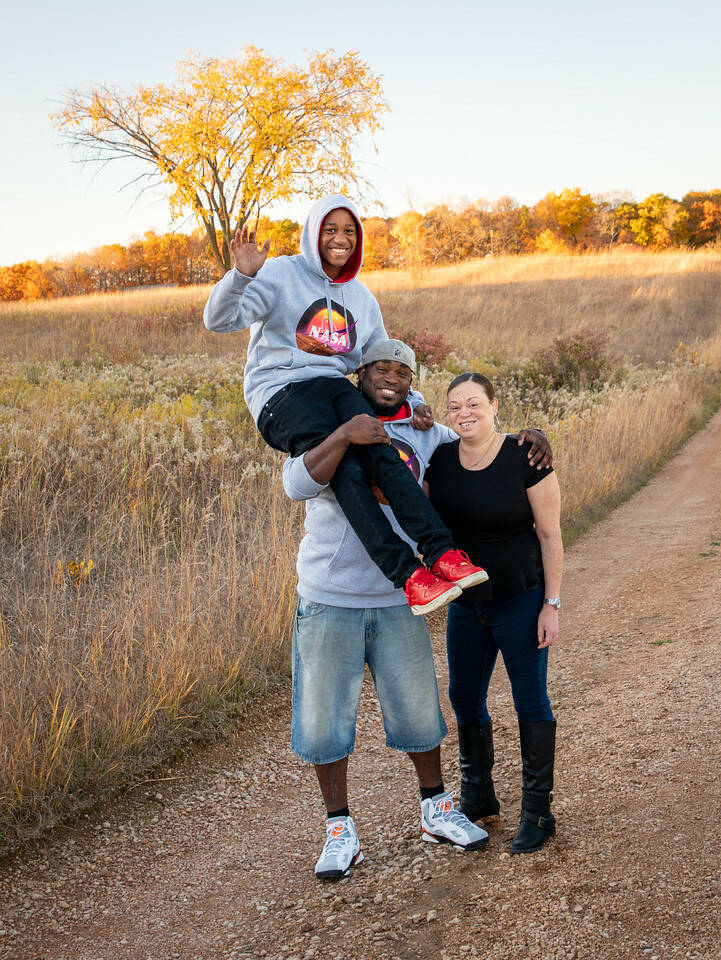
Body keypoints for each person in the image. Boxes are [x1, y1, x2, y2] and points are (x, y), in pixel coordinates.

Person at [282, 340, 551, 878]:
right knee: (324, 722)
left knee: (421, 714)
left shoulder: (426, 431)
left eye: (402, 372)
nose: (391, 378)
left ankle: (436, 810)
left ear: (412, 383)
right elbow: (295, 483)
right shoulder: (330, 421)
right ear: (359, 375)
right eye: (380, 369)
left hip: (405, 595)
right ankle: (340, 831)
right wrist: (344, 435)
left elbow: (478, 438)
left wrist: (531, 437)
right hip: (330, 595)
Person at [203, 195, 486, 616]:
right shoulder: (281, 273)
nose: (340, 239)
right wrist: (241, 275)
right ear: (314, 232)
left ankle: (442, 554)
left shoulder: (362, 299)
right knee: (347, 470)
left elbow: (382, 360)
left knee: (381, 451)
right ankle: (409, 576)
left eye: (349, 231)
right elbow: (219, 320)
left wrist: (417, 401)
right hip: (283, 392)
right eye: (330, 230)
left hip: (335, 387)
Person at [424, 372, 563, 855]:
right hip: (467, 601)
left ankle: (537, 812)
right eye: (455, 405)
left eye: (475, 403)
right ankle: (479, 795)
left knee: (530, 699)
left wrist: (552, 603)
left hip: (521, 596)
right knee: (463, 695)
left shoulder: (526, 456)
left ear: (495, 405)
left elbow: (550, 535)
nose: (465, 412)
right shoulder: (440, 459)